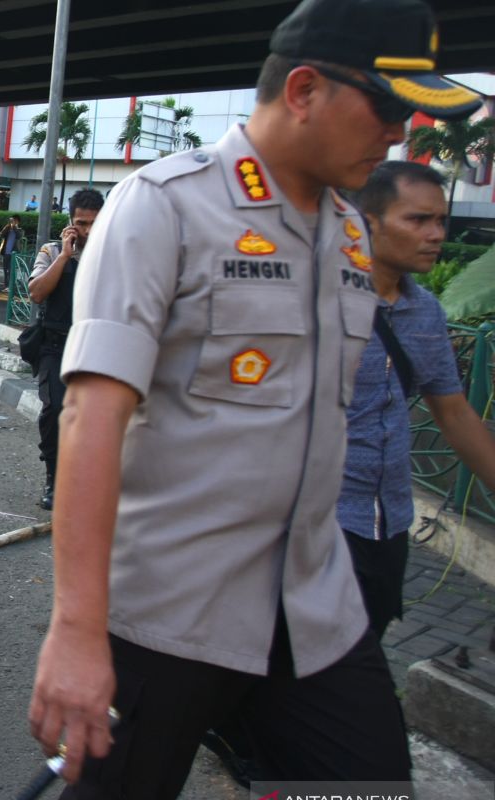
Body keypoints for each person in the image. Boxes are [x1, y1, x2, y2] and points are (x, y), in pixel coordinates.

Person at [27, 0, 481, 795]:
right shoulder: (167, 205)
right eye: (389, 106)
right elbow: (90, 419)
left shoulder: (346, 229)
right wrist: (76, 631)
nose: (400, 133)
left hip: (314, 605)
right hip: (169, 613)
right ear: (304, 90)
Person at [341, 160, 495, 639]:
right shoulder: (316, 302)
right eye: (417, 220)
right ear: (367, 224)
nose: (436, 235)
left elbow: (451, 410)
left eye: (441, 221)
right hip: (318, 526)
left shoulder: (424, 310)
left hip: (389, 522)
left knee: (369, 638)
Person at [27, 190, 103, 510]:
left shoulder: (112, 252)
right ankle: (53, 479)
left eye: (93, 224)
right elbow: (36, 293)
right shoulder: (53, 250)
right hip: (56, 346)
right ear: (70, 223)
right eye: (81, 224)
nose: (87, 231)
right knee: (55, 412)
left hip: (97, 346)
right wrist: (64, 257)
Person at [0, 214, 23, 290]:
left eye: (15, 221)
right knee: (6, 270)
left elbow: (19, 236)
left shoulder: (19, 229)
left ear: (18, 222)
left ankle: (11, 286)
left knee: (11, 270)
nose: (13, 222)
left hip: (13, 253)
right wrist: (8, 226)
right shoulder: (7, 229)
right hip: (6, 252)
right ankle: (6, 286)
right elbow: (1, 235)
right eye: (12, 220)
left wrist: (14, 227)